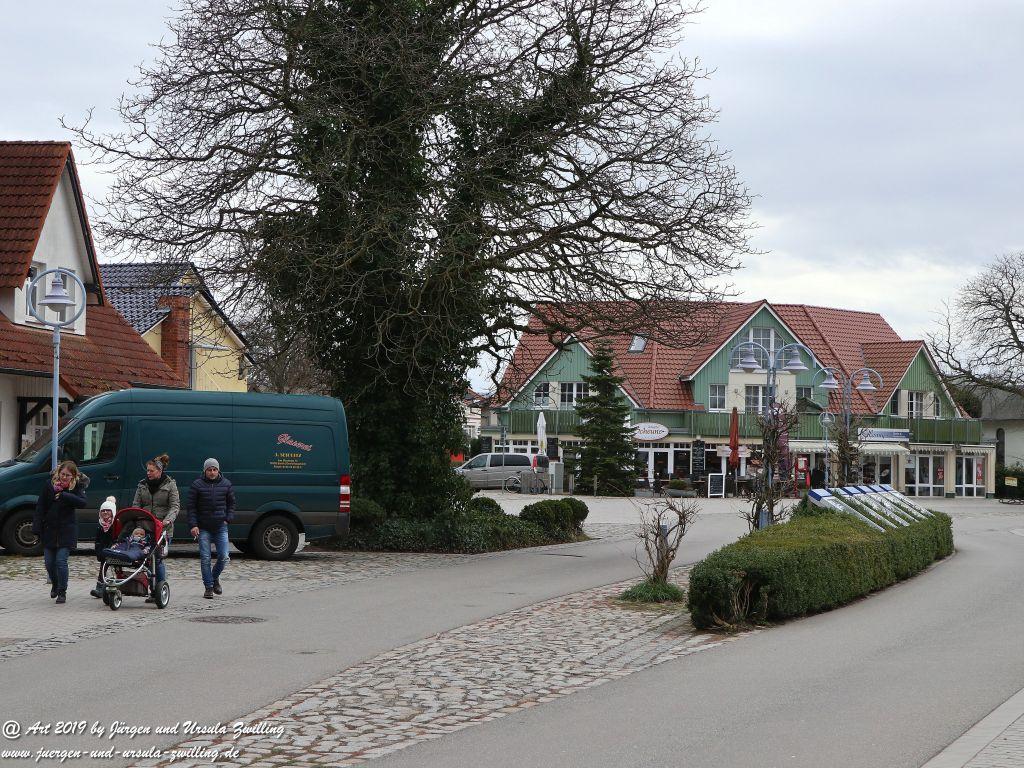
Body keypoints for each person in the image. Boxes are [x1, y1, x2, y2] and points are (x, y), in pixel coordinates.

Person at [32, 460, 88, 604]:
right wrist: (37, 527)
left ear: (73, 476)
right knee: (49, 563)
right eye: (62, 474)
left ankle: (62, 591)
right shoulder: (49, 485)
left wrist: (65, 495)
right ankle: (55, 584)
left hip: (66, 530)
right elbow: (40, 507)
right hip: (50, 529)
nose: (64, 477)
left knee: (61, 561)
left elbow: (82, 502)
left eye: (67, 475)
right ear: (58, 473)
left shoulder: (76, 487)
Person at [133, 453, 179, 601]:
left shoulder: (170, 485)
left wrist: (168, 520)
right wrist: (137, 520)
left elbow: (175, 506)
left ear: (159, 471)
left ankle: (159, 589)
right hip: (145, 527)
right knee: (146, 559)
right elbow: (136, 505)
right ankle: (150, 587)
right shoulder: (142, 485)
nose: (148, 473)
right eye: (147, 470)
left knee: (157, 559)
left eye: (151, 471)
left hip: (163, 529)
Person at [188, 458, 235, 599]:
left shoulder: (226, 484)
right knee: (205, 558)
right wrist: (193, 525)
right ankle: (208, 587)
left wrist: (228, 518)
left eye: (214, 469)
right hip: (203, 527)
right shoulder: (197, 485)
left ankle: (214, 578)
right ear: (205, 471)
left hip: (221, 526)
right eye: (209, 470)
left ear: (218, 470)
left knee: (224, 556)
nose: (212, 472)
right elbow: (191, 507)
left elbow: (231, 504)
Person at [90, 497, 117, 598]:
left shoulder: (115, 524)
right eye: (103, 511)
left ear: (112, 512)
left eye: (108, 510)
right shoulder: (100, 525)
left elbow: (117, 538)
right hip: (103, 551)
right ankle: (100, 587)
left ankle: (109, 586)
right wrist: (98, 551)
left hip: (113, 550)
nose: (105, 512)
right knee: (103, 567)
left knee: (115, 568)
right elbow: (97, 540)